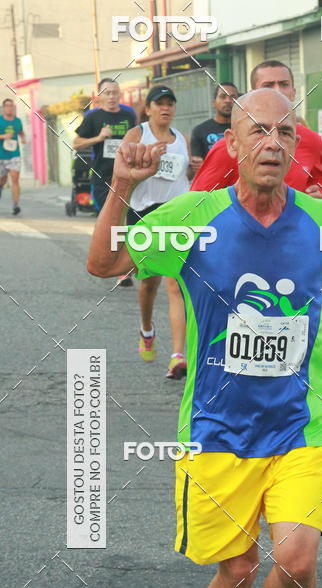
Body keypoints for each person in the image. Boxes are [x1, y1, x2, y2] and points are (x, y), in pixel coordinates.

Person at [87, 89, 322, 588]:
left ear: (294, 145)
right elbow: (103, 262)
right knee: (239, 570)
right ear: (232, 145)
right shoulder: (191, 216)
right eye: (258, 132)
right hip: (217, 430)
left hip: (298, 425)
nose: (273, 143)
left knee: (297, 565)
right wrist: (119, 189)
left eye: (284, 133)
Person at [122, 85, 192, 378]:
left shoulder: (181, 139)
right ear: (148, 108)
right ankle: (147, 328)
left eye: (170, 104)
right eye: (159, 103)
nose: (165, 108)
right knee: (149, 284)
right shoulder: (138, 135)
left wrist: (195, 169)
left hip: (178, 214)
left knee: (176, 285)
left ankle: (178, 356)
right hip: (144, 213)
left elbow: (184, 176)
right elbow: (123, 170)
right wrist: (147, 157)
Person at [190, 61, 322, 198]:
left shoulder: (312, 140)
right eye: (268, 85)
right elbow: (198, 202)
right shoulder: (234, 144)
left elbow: (317, 180)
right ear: (253, 93)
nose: (277, 91)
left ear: (293, 92)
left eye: (284, 84)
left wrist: (315, 195)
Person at [73, 78, 136, 213]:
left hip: (127, 176)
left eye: (115, 93)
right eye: (107, 93)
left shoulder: (129, 115)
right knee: (108, 218)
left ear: (120, 94)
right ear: (99, 96)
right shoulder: (93, 117)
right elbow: (76, 144)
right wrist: (98, 138)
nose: (111, 97)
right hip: (103, 177)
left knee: (126, 219)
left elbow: (138, 140)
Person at [0, 98, 26, 215]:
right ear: (3, 108)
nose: (9, 108)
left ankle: (16, 205)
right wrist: (2, 136)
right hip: (0, 155)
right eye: (7, 106)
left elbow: (21, 132)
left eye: (11, 106)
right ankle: (0, 186)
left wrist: (23, 138)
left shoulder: (18, 121)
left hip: (14, 154)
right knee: (4, 178)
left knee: (15, 178)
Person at [190, 82, 239, 173]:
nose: (228, 100)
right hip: (212, 185)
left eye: (232, 97)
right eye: (223, 96)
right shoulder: (199, 131)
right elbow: (197, 166)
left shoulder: (245, 130)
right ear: (214, 102)